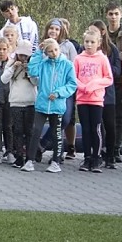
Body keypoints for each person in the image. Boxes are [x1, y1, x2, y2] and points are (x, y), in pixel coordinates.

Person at [28, 38, 77, 173]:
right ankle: (29, 160)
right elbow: (32, 71)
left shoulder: (67, 65)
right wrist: (38, 52)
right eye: (50, 51)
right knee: (36, 130)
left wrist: (59, 93)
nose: (53, 53)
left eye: (55, 50)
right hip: (42, 103)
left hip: (57, 104)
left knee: (57, 133)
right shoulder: (43, 64)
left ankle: (56, 161)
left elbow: (72, 84)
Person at [74, 29, 113, 173]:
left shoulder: (102, 58)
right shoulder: (78, 58)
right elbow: (73, 77)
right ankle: (87, 157)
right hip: (82, 99)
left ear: (98, 43)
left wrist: (93, 85)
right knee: (85, 129)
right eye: (86, 42)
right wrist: (83, 86)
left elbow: (108, 78)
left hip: (96, 99)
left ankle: (96, 158)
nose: (89, 45)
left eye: (92, 42)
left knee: (95, 128)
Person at [89, 20, 121, 169]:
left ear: (102, 32)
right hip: (92, 93)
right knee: (95, 124)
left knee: (110, 124)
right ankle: (95, 153)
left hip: (107, 93)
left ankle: (111, 154)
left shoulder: (111, 49)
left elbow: (117, 70)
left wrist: (102, 71)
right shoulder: (87, 49)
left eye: (94, 31)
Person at [44, 18, 78, 158]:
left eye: (57, 29)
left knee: (65, 119)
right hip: (47, 89)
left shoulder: (68, 46)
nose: (53, 31)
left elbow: (75, 66)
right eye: (51, 28)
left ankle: (43, 143)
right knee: (50, 119)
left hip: (65, 89)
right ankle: (58, 153)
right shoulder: (43, 45)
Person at [2, 40, 37, 170]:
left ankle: (29, 157)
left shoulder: (33, 65)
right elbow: (4, 79)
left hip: (30, 101)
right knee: (17, 130)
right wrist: (13, 68)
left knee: (29, 131)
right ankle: (19, 157)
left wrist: (29, 71)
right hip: (16, 101)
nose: (23, 58)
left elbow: (36, 82)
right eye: (21, 55)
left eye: (25, 56)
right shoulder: (11, 63)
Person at [105, 1, 122, 161]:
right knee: (106, 116)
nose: (113, 17)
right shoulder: (102, 33)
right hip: (105, 81)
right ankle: (106, 146)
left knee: (120, 116)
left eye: (116, 14)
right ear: (106, 15)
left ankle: (116, 148)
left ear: (121, 14)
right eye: (110, 14)